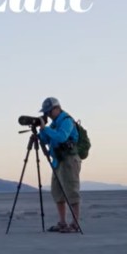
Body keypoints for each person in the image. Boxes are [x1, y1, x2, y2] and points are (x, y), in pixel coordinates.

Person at [36, 96, 81, 232]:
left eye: (49, 111)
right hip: (58, 160)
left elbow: (61, 137)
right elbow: (45, 140)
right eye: (46, 112)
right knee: (57, 192)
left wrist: (46, 128)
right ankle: (62, 222)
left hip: (69, 159)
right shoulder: (54, 124)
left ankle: (75, 224)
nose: (48, 115)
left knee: (71, 191)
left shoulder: (67, 121)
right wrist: (41, 130)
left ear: (57, 108)